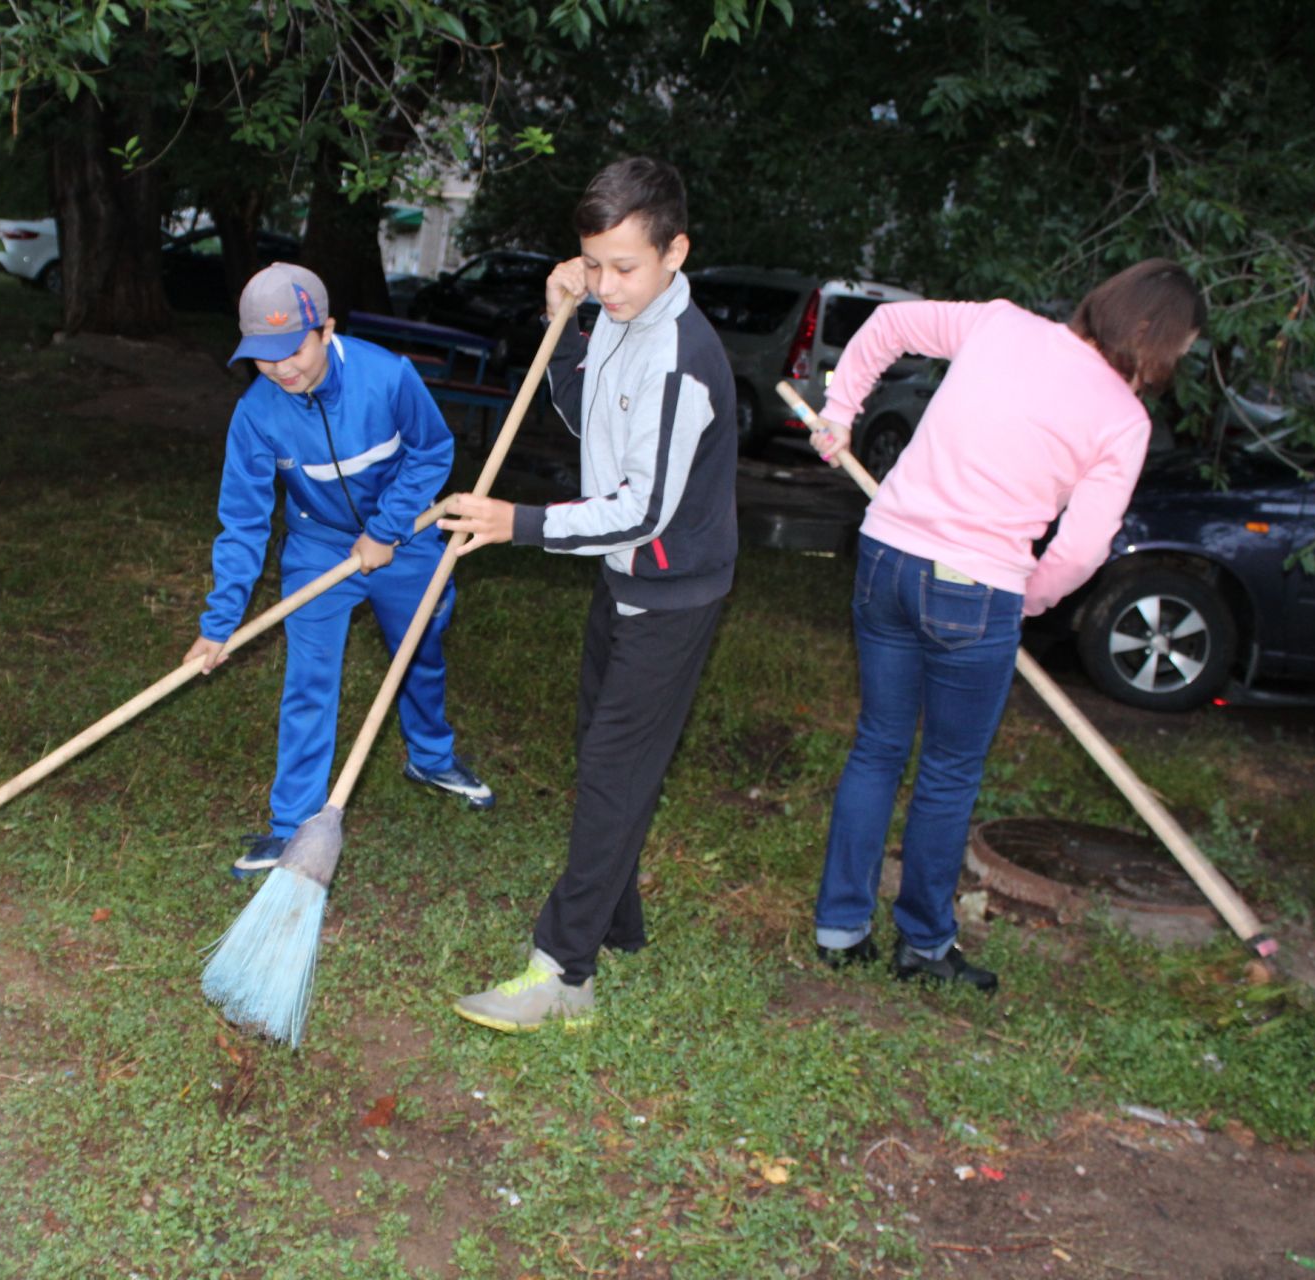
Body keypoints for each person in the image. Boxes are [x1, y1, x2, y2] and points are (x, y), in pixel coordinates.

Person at [805, 259, 1207, 991]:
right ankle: (924, 947)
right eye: (1180, 349)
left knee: (878, 746)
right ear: (1156, 339)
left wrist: (840, 413)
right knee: (949, 774)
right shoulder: (1122, 419)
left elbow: (890, 324)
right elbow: (1083, 549)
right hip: (976, 588)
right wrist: (1027, 599)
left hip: (887, 558)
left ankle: (839, 929)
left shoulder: (1000, 322)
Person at [439, 157, 738, 1031]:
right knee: (604, 757)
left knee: (611, 773)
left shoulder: (683, 362)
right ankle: (621, 921)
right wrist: (558, 315)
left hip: (671, 594)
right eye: (593, 263)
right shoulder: (615, 315)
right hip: (624, 580)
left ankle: (562, 974)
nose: (605, 284)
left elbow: (642, 512)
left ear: (676, 252)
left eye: (625, 266)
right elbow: (578, 405)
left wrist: (517, 524)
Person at [185, 263, 493, 879]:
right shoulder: (256, 414)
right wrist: (219, 624)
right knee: (309, 679)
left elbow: (433, 449)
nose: (282, 368)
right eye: (263, 357)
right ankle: (292, 825)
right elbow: (244, 521)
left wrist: (386, 528)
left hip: (406, 536)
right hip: (319, 548)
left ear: (325, 329)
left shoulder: (388, 378)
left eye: (292, 348)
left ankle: (430, 755)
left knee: (418, 652)